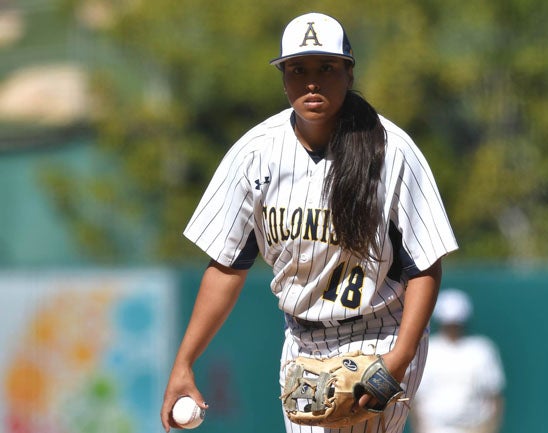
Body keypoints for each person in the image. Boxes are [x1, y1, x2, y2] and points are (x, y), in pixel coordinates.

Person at [160, 12, 458, 433]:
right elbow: (227, 265)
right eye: (298, 70)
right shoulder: (255, 155)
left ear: (349, 73)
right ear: (283, 79)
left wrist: (400, 358)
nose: (312, 82)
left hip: (381, 331)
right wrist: (184, 363)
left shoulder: (391, 151)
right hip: (301, 342)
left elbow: (424, 265)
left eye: (327, 68)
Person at [410, 289, 506, 433]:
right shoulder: (428, 349)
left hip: (473, 428)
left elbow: (495, 396)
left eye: (456, 323)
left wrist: (488, 429)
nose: (452, 327)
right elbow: (416, 399)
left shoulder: (482, 350)